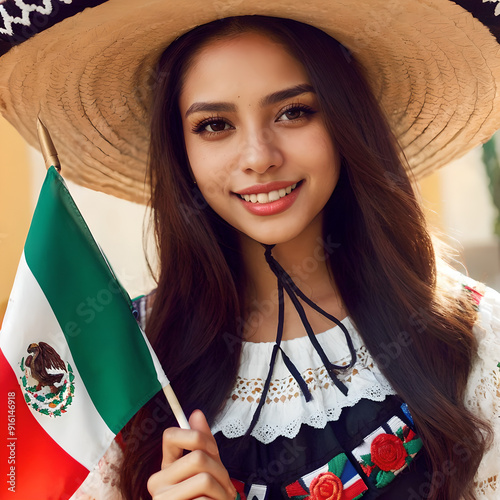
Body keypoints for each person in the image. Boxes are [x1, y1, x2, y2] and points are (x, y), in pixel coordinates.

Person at [1, 2, 500, 500]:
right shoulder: (122, 364)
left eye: (294, 112)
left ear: (348, 121)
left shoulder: (474, 340)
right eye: (215, 125)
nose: (259, 156)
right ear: (181, 151)